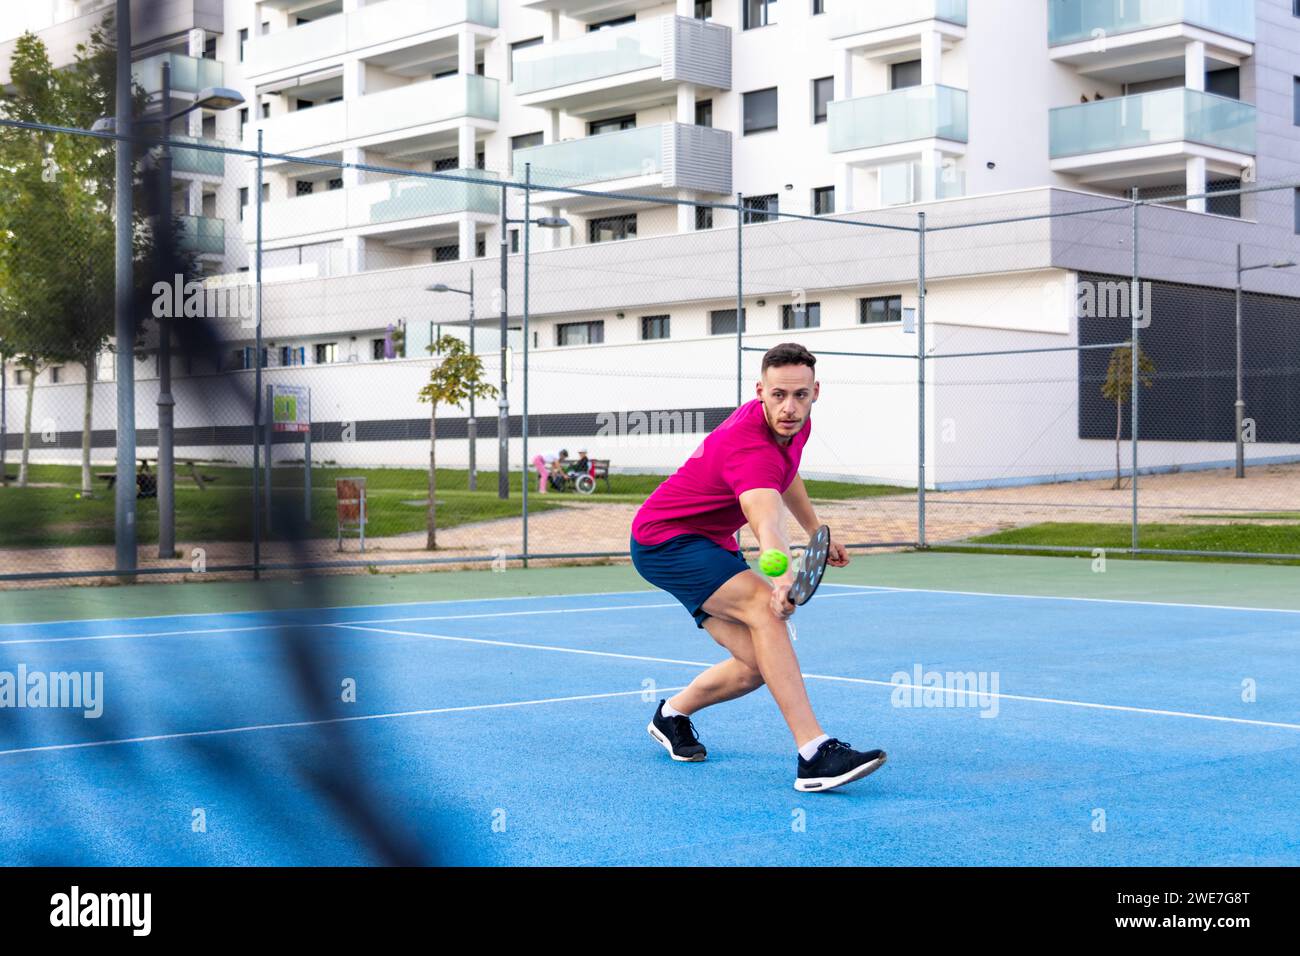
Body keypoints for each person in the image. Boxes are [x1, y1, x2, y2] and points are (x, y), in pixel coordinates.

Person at [630, 342, 886, 792]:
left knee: (755, 664)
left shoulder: (793, 427)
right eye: (778, 395)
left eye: (800, 395)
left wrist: (817, 533)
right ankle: (813, 751)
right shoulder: (748, 447)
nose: (789, 407)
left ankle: (671, 715)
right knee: (764, 610)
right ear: (759, 391)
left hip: (708, 542)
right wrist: (782, 579)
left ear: (815, 392)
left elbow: (786, 476)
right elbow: (766, 519)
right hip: (665, 540)